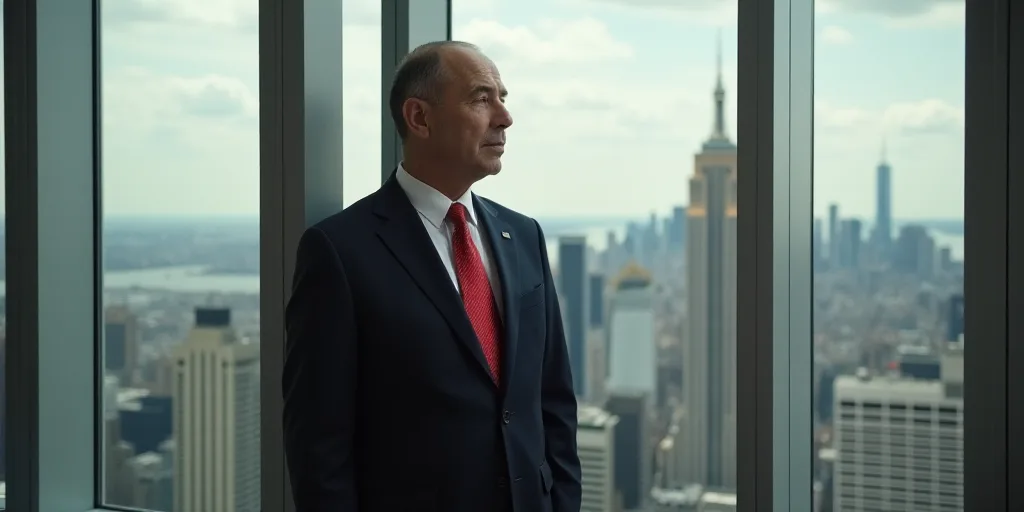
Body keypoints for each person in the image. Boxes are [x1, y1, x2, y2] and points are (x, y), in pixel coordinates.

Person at [282, 40, 582, 512]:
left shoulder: (523, 236)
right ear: (419, 118)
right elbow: (319, 444)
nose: (504, 118)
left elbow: (553, 400)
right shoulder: (340, 251)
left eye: (503, 98)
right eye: (482, 99)